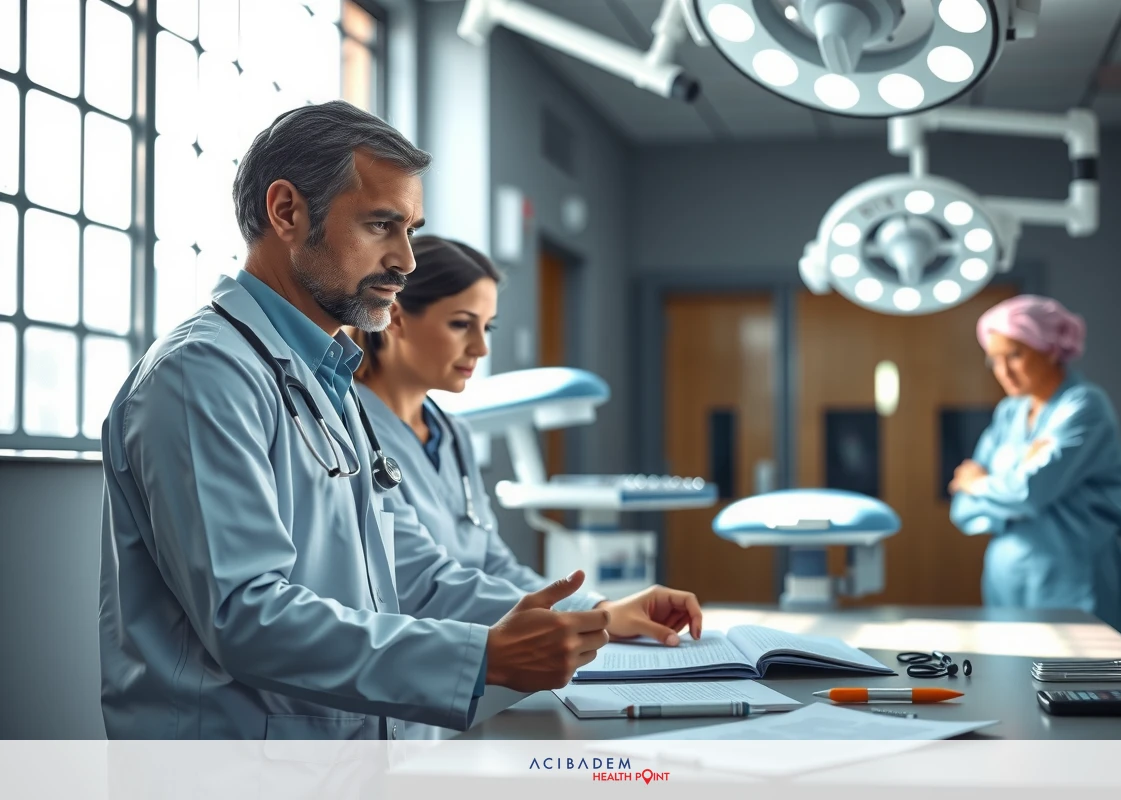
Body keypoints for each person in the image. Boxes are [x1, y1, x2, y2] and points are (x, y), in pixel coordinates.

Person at [98, 101, 616, 740]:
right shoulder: (202, 373)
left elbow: (413, 570)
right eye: (380, 225)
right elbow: (246, 614)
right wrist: (480, 658)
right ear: (286, 211)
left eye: (410, 229)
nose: (407, 260)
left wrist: (593, 616)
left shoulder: (327, 374)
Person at [347, 235, 704, 646]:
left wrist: (598, 605)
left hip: (480, 654)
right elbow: (423, 584)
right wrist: (596, 615)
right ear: (395, 317)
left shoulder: (453, 434)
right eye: (461, 324)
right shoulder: (352, 430)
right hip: (417, 660)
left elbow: (494, 564)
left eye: (487, 327)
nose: (480, 347)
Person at [949, 295, 1121, 648]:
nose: (1003, 371)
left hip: (1073, 577)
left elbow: (1030, 492)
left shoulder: (1084, 406)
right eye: (994, 360)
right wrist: (1013, 479)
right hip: (1006, 579)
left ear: (1051, 349)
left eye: (1015, 355)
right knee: (1009, 690)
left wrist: (980, 482)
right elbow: (962, 510)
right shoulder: (1009, 413)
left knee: (1089, 692)